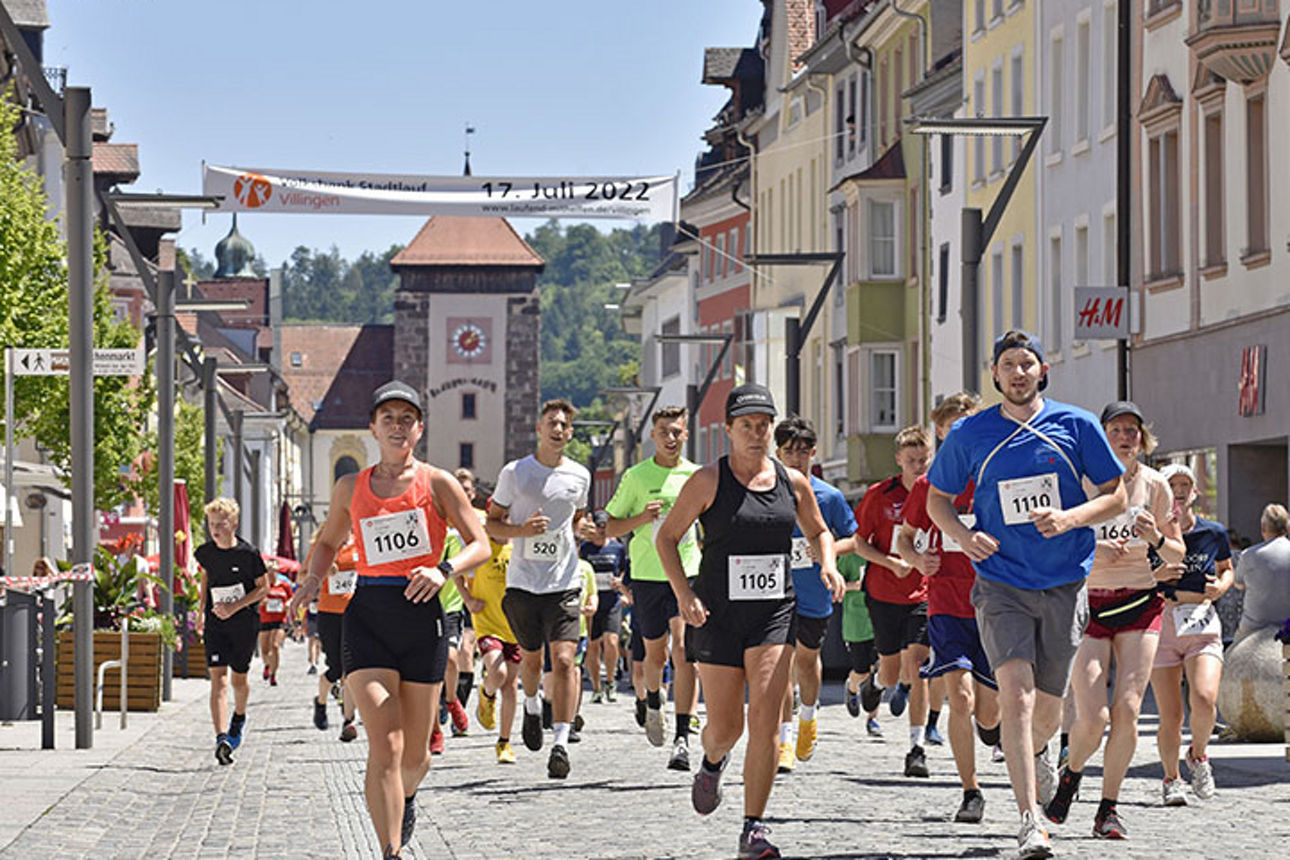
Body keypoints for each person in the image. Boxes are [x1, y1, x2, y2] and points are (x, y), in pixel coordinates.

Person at [926, 331, 1127, 860]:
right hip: (1000, 581)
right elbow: (937, 500)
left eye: (1027, 364)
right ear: (994, 374)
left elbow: (1116, 494)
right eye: (1008, 365)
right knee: (1014, 694)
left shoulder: (1076, 424)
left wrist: (1071, 518)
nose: (1018, 372)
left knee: (1048, 709)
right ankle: (1030, 819)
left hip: (1063, 581)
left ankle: (1039, 751)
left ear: (1043, 371)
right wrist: (965, 538)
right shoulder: (971, 433)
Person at [289, 380, 489, 859]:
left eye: (406, 420)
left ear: (418, 429)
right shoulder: (350, 487)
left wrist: (443, 570)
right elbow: (328, 542)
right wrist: (311, 581)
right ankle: (390, 849)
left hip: (422, 619)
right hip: (368, 616)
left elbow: (479, 542)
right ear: (372, 429)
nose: (397, 428)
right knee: (386, 742)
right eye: (388, 420)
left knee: (415, 757)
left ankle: (409, 796)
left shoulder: (436, 483)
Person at [660, 383, 843, 860]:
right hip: (717, 613)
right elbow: (667, 538)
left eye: (764, 425)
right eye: (748, 426)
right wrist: (684, 594)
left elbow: (820, 530)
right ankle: (712, 762)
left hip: (774, 613)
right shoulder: (706, 481)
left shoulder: (792, 481)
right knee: (726, 728)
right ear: (729, 431)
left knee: (765, 719)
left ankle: (753, 828)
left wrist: (827, 563)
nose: (758, 434)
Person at [1042, 401, 1184, 838]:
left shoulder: (1155, 485)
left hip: (1141, 602)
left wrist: (1155, 537)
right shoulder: (1082, 482)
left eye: (1133, 431)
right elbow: (1053, 536)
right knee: (1093, 716)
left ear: (1143, 439)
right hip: (1089, 604)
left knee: (1127, 708)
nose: (1125, 437)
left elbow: (1178, 552)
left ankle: (1108, 808)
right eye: (1116, 430)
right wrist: (1093, 549)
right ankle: (1072, 770)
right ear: (1102, 437)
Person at [895, 391, 1003, 824]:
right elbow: (903, 538)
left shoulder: (995, 477)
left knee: (989, 710)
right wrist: (918, 560)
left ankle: (991, 732)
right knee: (959, 698)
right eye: (951, 424)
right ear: (940, 431)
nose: (959, 430)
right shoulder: (928, 485)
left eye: (967, 422)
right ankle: (970, 791)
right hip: (946, 605)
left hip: (996, 605)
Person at [486, 398, 590, 780]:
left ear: (571, 433)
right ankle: (531, 706)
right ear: (539, 428)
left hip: (564, 583)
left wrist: (586, 532)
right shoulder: (515, 473)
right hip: (523, 583)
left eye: (564, 424)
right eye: (552, 423)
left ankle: (560, 743)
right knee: (531, 662)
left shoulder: (580, 475)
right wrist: (520, 532)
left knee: (563, 661)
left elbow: (575, 522)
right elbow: (490, 525)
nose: (558, 429)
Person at [605, 405, 702, 770]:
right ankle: (652, 701)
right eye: (664, 431)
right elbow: (611, 528)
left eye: (677, 431)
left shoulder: (697, 475)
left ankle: (682, 736)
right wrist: (642, 518)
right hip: (647, 575)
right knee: (655, 655)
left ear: (686, 434)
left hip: (688, 572)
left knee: (684, 649)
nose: (671, 438)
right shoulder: (636, 476)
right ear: (653, 436)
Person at [772, 416, 857, 770]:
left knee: (806, 661)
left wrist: (827, 554)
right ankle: (785, 739)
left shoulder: (829, 496)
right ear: (777, 453)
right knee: (779, 666)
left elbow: (853, 538)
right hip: (774, 592)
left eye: (803, 451)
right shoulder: (766, 491)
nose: (797, 458)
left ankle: (808, 716)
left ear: (813, 453)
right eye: (789, 451)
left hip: (814, 593)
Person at [853, 424, 934, 779]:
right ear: (899, 459)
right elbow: (858, 542)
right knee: (889, 669)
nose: (918, 465)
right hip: (884, 591)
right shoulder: (880, 494)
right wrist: (890, 562)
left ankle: (916, 748)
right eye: (912, 459)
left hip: (924, 592)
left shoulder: (938, 493)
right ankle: (876, 683)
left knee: (917, 665)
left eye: (924, 459)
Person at [1150, 463, 1233, 807]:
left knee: (1204, 700)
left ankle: (1198, 755)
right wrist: (1157, 574)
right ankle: (1171, 779)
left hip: (1201, 621)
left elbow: (1227, 569)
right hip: (1162, 623)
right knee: (1170, 715)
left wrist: (1221, 587)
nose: (1180, 490)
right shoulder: (1149, 533)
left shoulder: (1212, 532)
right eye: (1173, 484)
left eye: (1186, 484)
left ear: (1195, 492)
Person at [195, 497, 270, 766]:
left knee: (238, 680)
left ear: (234, 524)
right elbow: (206, 577)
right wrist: (201, 610)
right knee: (219, 680)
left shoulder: (249, 554)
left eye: (220, 524)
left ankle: (239, 716)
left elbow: (264, 588)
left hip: (244, 624)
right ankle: (221, 737)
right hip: (216, 623)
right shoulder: (205, 553)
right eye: (211, 524)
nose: (215, 529)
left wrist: (235, 606)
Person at [457, 516, 522, 764]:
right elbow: (457, 573)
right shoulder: (480, 547)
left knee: (511, 686)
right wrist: (468, 600)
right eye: (501, 519)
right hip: (486, 622)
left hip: (515, 625)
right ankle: (486, 692)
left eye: (509, 518)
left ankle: (504, 743)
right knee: (498, 671)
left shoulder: (518, 546)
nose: (505, 523)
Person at [310, 533, 359, 741]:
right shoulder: (324, 545)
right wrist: (321, 574)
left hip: (356, 611)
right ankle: (320, 702)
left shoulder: (360, 543)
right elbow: (304, 575)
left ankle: (349, 720)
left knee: (352, 667)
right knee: (336, 667)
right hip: (329, 613)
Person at [580, 510, 627, 705]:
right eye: (598, 527)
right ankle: (597, 686)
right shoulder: (585, 548)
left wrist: (621, 583)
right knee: (592, 646)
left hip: (612, 601)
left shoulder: (617, 548)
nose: (600, 531)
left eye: (604, 528)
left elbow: (624, 569)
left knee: (612, 641)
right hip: (592, 601)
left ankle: (610, 681)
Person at [838, 550, 884, 737]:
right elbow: (836, 585)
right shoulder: (850, 556)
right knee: (862, 671)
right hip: (856, 622)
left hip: (880, 620)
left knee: (879, 671)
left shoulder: (881, 554)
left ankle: (873, 719)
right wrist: (856, 586)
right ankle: (852, 687)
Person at [1233, 503, 1290, 639]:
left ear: (1263, 528)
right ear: (1288, 528)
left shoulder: (1248, 555)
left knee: (1234, 654)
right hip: (1288, 625)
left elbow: (1238, 584)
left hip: (1254, 627)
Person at [257, 564, 294, 686]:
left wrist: (288, 604)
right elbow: (254, 599)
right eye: (269, 572)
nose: (272, 574)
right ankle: (267, 665)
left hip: (280, 619)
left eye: (274, 572)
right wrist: (262, 601)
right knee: (265, 649)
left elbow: (291, 598)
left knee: (275, 646)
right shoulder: (262, 586)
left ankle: (273, 674)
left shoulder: (284, 585)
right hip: (265, 619)